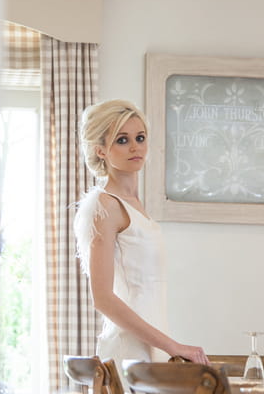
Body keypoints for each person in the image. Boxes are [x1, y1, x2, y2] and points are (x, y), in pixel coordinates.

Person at [73, 99, 209, 374]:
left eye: (140, 137)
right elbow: (102, 298)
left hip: (153, 342)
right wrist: (174, 346)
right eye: (122, 140)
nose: (135, 147)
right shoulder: (105, 205)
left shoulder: (136, 205)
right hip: (129, 349)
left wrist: (168, 346)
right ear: (101, 150)